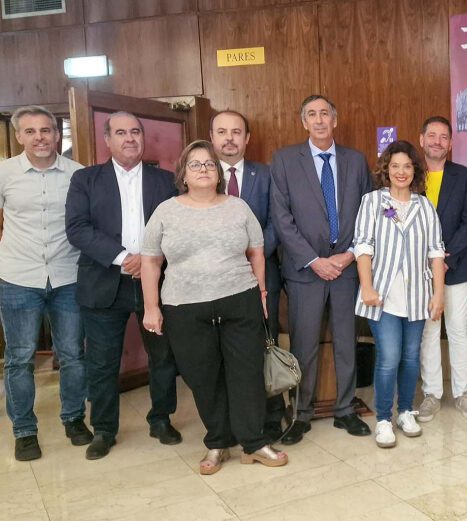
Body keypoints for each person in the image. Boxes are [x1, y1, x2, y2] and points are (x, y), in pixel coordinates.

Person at [141, 140, 286, 475]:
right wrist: (152, 307)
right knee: (203, 376)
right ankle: (218, 442)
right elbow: (150, 262)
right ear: (183, 174)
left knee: (247, 373)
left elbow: (257, 253)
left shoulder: (238, 207)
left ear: (219, 173)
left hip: (240, 300)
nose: (204, 169)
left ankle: (253, 442)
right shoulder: (166, 211)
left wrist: (261, 292)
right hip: (184, 307)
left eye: (210, 164)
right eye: (196, 164)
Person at [65, 111, 182, 460]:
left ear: (142, 137)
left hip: (157, 283)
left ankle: (160, 419)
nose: (129, 138)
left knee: (162, 356)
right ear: (107, 140)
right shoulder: (85, 179)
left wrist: (148, 259)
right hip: (104, 282)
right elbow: (77, 228)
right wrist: (122, 257)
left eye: (135, 131)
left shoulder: (165, 180)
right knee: (102, 363)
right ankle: (104, 429)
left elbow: (178, 225)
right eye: (121, 132)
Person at [270, 95, 373, 445]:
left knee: (347, 342)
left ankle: (345, 409)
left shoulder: (356, 161)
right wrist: (314, 260)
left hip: (346, 269)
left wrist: (347, 256)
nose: (319, 120)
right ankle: (301, 413)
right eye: (311, 115)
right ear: (303, 122)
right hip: (305, 271)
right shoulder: (284, 161)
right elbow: (282, 220)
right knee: (304, 346)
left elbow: (368, 214)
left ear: (335, 119)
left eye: (324, 114)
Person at [0, 105, 91, 461]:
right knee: (19, 358)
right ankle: (24, 430)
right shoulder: (5, 172)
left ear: (57, 134)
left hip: (68, 276)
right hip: (18, 277)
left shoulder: (77, 174)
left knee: (72, 354)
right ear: (20, 136)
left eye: (46, 130)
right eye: (31, 131)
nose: (40, 137)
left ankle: (73, 419)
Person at [353, 140, 445, 448]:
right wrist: (366, 286)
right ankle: (383, 418)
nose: (401, 172)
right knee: (389, 357)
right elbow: (363, 247)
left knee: (410, 358)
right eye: (395, 166)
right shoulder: (372, 202)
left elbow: (436, 252)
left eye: (407, 166)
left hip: (418, 296)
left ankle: (405, 411)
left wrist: (438, 294)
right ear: (386, 169)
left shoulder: (424, 205)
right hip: (382, 296)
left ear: (415, 170)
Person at [210, 109, 285, 443]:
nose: (229, 138)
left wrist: (253, 254)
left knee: (266, 345)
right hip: (214, 279)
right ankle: (227, 421)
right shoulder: (199, 175)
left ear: (247, 138)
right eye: (222, 132)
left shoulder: (267, 175)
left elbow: (277, 221)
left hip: (262, 274)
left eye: (236, 132)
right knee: (222, 350)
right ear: (212, 137)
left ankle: (271, 416)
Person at [417, 116, 467, 422]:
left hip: (456, 266)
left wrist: (444, 257)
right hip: (418, 270)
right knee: (428, 331)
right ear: (422, 140)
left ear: (451, 144)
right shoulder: (409, 175)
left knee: (457, 329)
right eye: (432, 136)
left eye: (444, 137)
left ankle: (463, 392)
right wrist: (426, 260)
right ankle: (431, 393)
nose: (437, 142)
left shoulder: (466, 177)